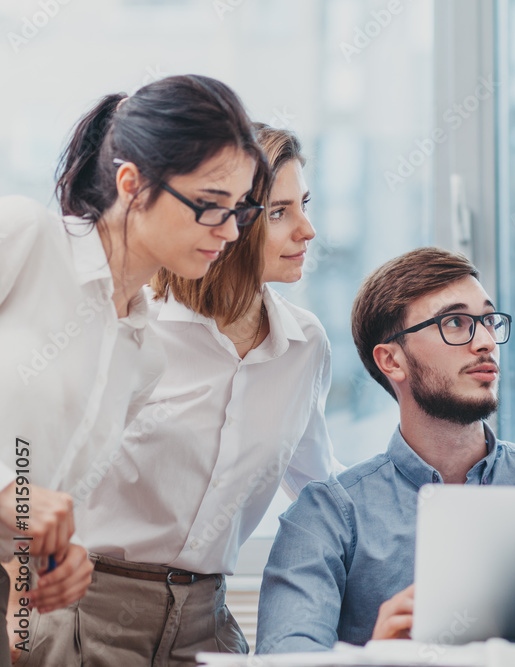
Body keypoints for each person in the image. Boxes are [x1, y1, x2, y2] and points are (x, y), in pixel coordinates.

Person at [12, 125, 342, 666]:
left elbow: (321, 488)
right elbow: (30, 480)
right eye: (280, 212)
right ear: (229, 218)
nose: (308, 230)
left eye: (303, 205)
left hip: (205, 629)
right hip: (84, 617)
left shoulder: (305, 347)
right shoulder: (134, 325)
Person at [0, 74, 267, 667]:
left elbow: (37, 508)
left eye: (239, 211)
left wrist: (45, 560)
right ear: (132, 183)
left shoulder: (144, 353)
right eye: (209, 206)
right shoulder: (24, 237)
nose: (227, 232)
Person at [254, 248, 515, 652]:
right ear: (392, 361)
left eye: (488, 321)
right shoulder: (325, 518)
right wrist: (376, 659)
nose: (485, 342)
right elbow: (288, 659)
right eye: (456, 323)